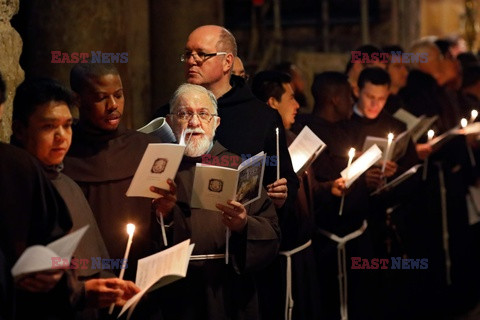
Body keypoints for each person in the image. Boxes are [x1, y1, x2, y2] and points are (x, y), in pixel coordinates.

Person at [10, 77, 140, 318]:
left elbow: (96, 261)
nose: (62, 136)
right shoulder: (13, 189)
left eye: (68, 125)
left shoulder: (68, 185)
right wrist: (78, 293)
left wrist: (109, 287)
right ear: (19, 130)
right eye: (49, 127)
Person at [151, 83, 280, 320]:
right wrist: (166, 216)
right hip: (178, 294)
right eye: (184, 114)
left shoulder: (239, 167)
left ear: (216, 123)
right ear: (170, 122)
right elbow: (135, 239)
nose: (194, 122)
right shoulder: (157, 169)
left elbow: (271, 230)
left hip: (229, 290)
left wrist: (243, 225)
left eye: (203, 113)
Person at [153, 25, 298, 218]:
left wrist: (282, 195)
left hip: (239, 233)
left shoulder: (261, 117)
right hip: (181, 231)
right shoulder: (167, 116)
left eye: (201, 54)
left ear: (227, 62)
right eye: (188, 53)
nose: (191, 60)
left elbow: (283, 177)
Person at [63, 63, 161, 282]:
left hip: (139, 278)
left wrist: (168, 211)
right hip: (85, 279)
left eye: (119, 95)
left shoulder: (146, 148)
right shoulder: (63, 151)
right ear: (78, 100)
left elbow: (168, 225)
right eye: (101, 98)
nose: (113, 105)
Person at [251, 70, 320, 320]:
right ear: (272, 103)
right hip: (281, 257)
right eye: (291, 98)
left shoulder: (293, 137)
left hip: (304, 252)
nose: (297, 105)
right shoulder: (262, 144)